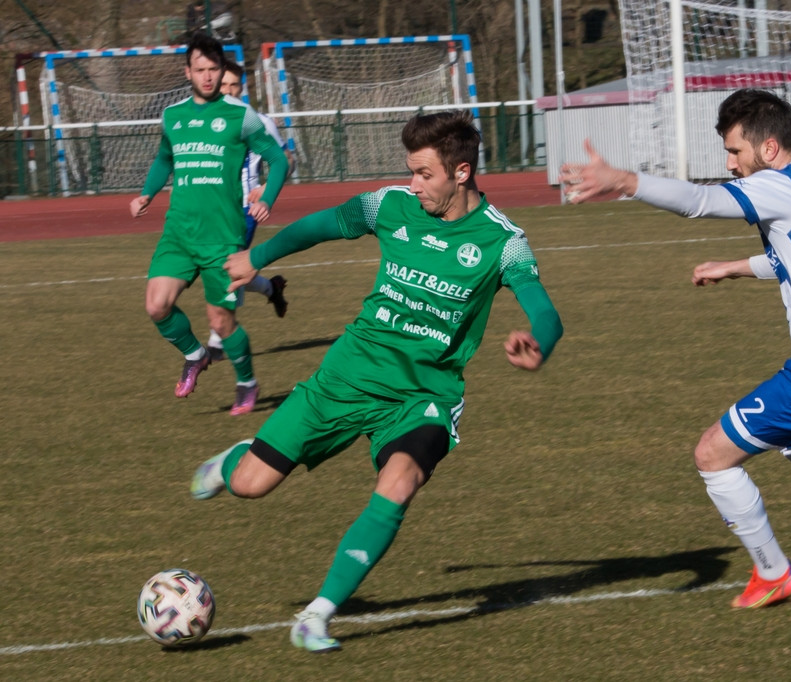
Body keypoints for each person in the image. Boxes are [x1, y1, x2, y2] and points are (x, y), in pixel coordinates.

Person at [189, 110, 563, 651]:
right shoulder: (389, 206)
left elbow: (547, 313)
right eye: (410, 172)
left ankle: (317, 615)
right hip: (346, 377)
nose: (413, 185)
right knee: (251, 484)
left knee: (401, 480)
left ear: (461, 172)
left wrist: (538, 344)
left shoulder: (502, 241)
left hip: (422, 397)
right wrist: (257, 256)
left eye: (424, 174)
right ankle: (234, 460)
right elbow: (320, 226)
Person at [560, 88, 791, 609]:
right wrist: (734, 267)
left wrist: (625, 181)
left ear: (768, 149)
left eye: (736, 152)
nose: (730, 164)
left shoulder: (777, 186)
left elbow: (701, 203)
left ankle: (774, 572)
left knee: (713, 454)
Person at [130, 33, 289, 415]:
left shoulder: (241, 116)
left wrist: (266, 198)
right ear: (188, 71)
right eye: (199, 69)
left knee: (221, 319)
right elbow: (164, 159)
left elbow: (279, 160)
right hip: (179, 233)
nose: (207, 76)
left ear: (222, 70)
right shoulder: (173, 116)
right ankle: (195, 354)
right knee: (156, 306)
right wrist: (147, 193)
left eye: (213, 69)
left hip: (223, 236)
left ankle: (247, 383)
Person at [205, 59, 295, 363]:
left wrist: (267, 189)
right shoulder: (206, 121)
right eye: (224, 84)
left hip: (245, 208)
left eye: (235, 85)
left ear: (242, 88)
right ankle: (272, 288)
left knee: (229, 266)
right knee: (220, 266)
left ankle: (218, 340)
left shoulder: (258, 121)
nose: (229, 91)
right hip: (214, 208)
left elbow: (287, 160)